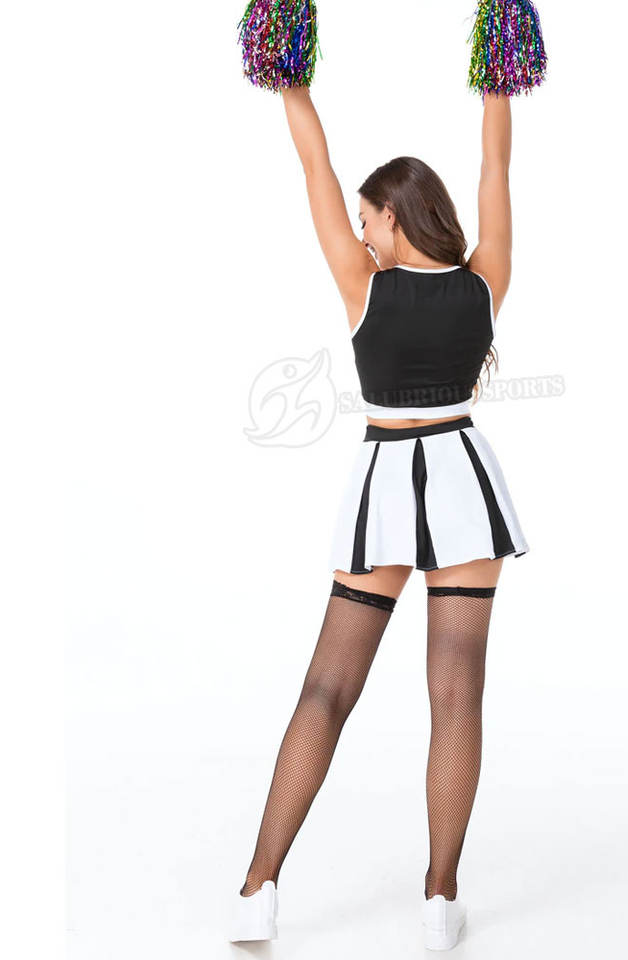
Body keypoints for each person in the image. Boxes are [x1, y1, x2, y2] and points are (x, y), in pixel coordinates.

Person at [230, 86, 530, 951]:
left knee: (327, 688)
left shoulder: (363, 288)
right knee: (457, 692)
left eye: (367, 220)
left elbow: (313, 167)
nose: (360, 233)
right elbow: (497, 167)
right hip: (463, 482)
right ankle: (440, 899)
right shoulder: (485, 282)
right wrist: (498, 88)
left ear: (393, 216)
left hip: (387, 486)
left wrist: (292, 84)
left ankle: (257, 889)